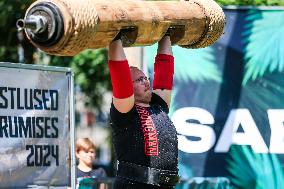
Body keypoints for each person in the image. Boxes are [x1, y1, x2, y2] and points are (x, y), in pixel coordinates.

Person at [107, 32, 179, 189]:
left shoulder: (158, 107)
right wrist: (115, 36)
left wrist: (166, 32)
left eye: (146, 78)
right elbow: (120, 77)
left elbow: (165, 72)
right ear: (129, 85)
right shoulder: (125, 113)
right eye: (139, 80)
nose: (146, 82)